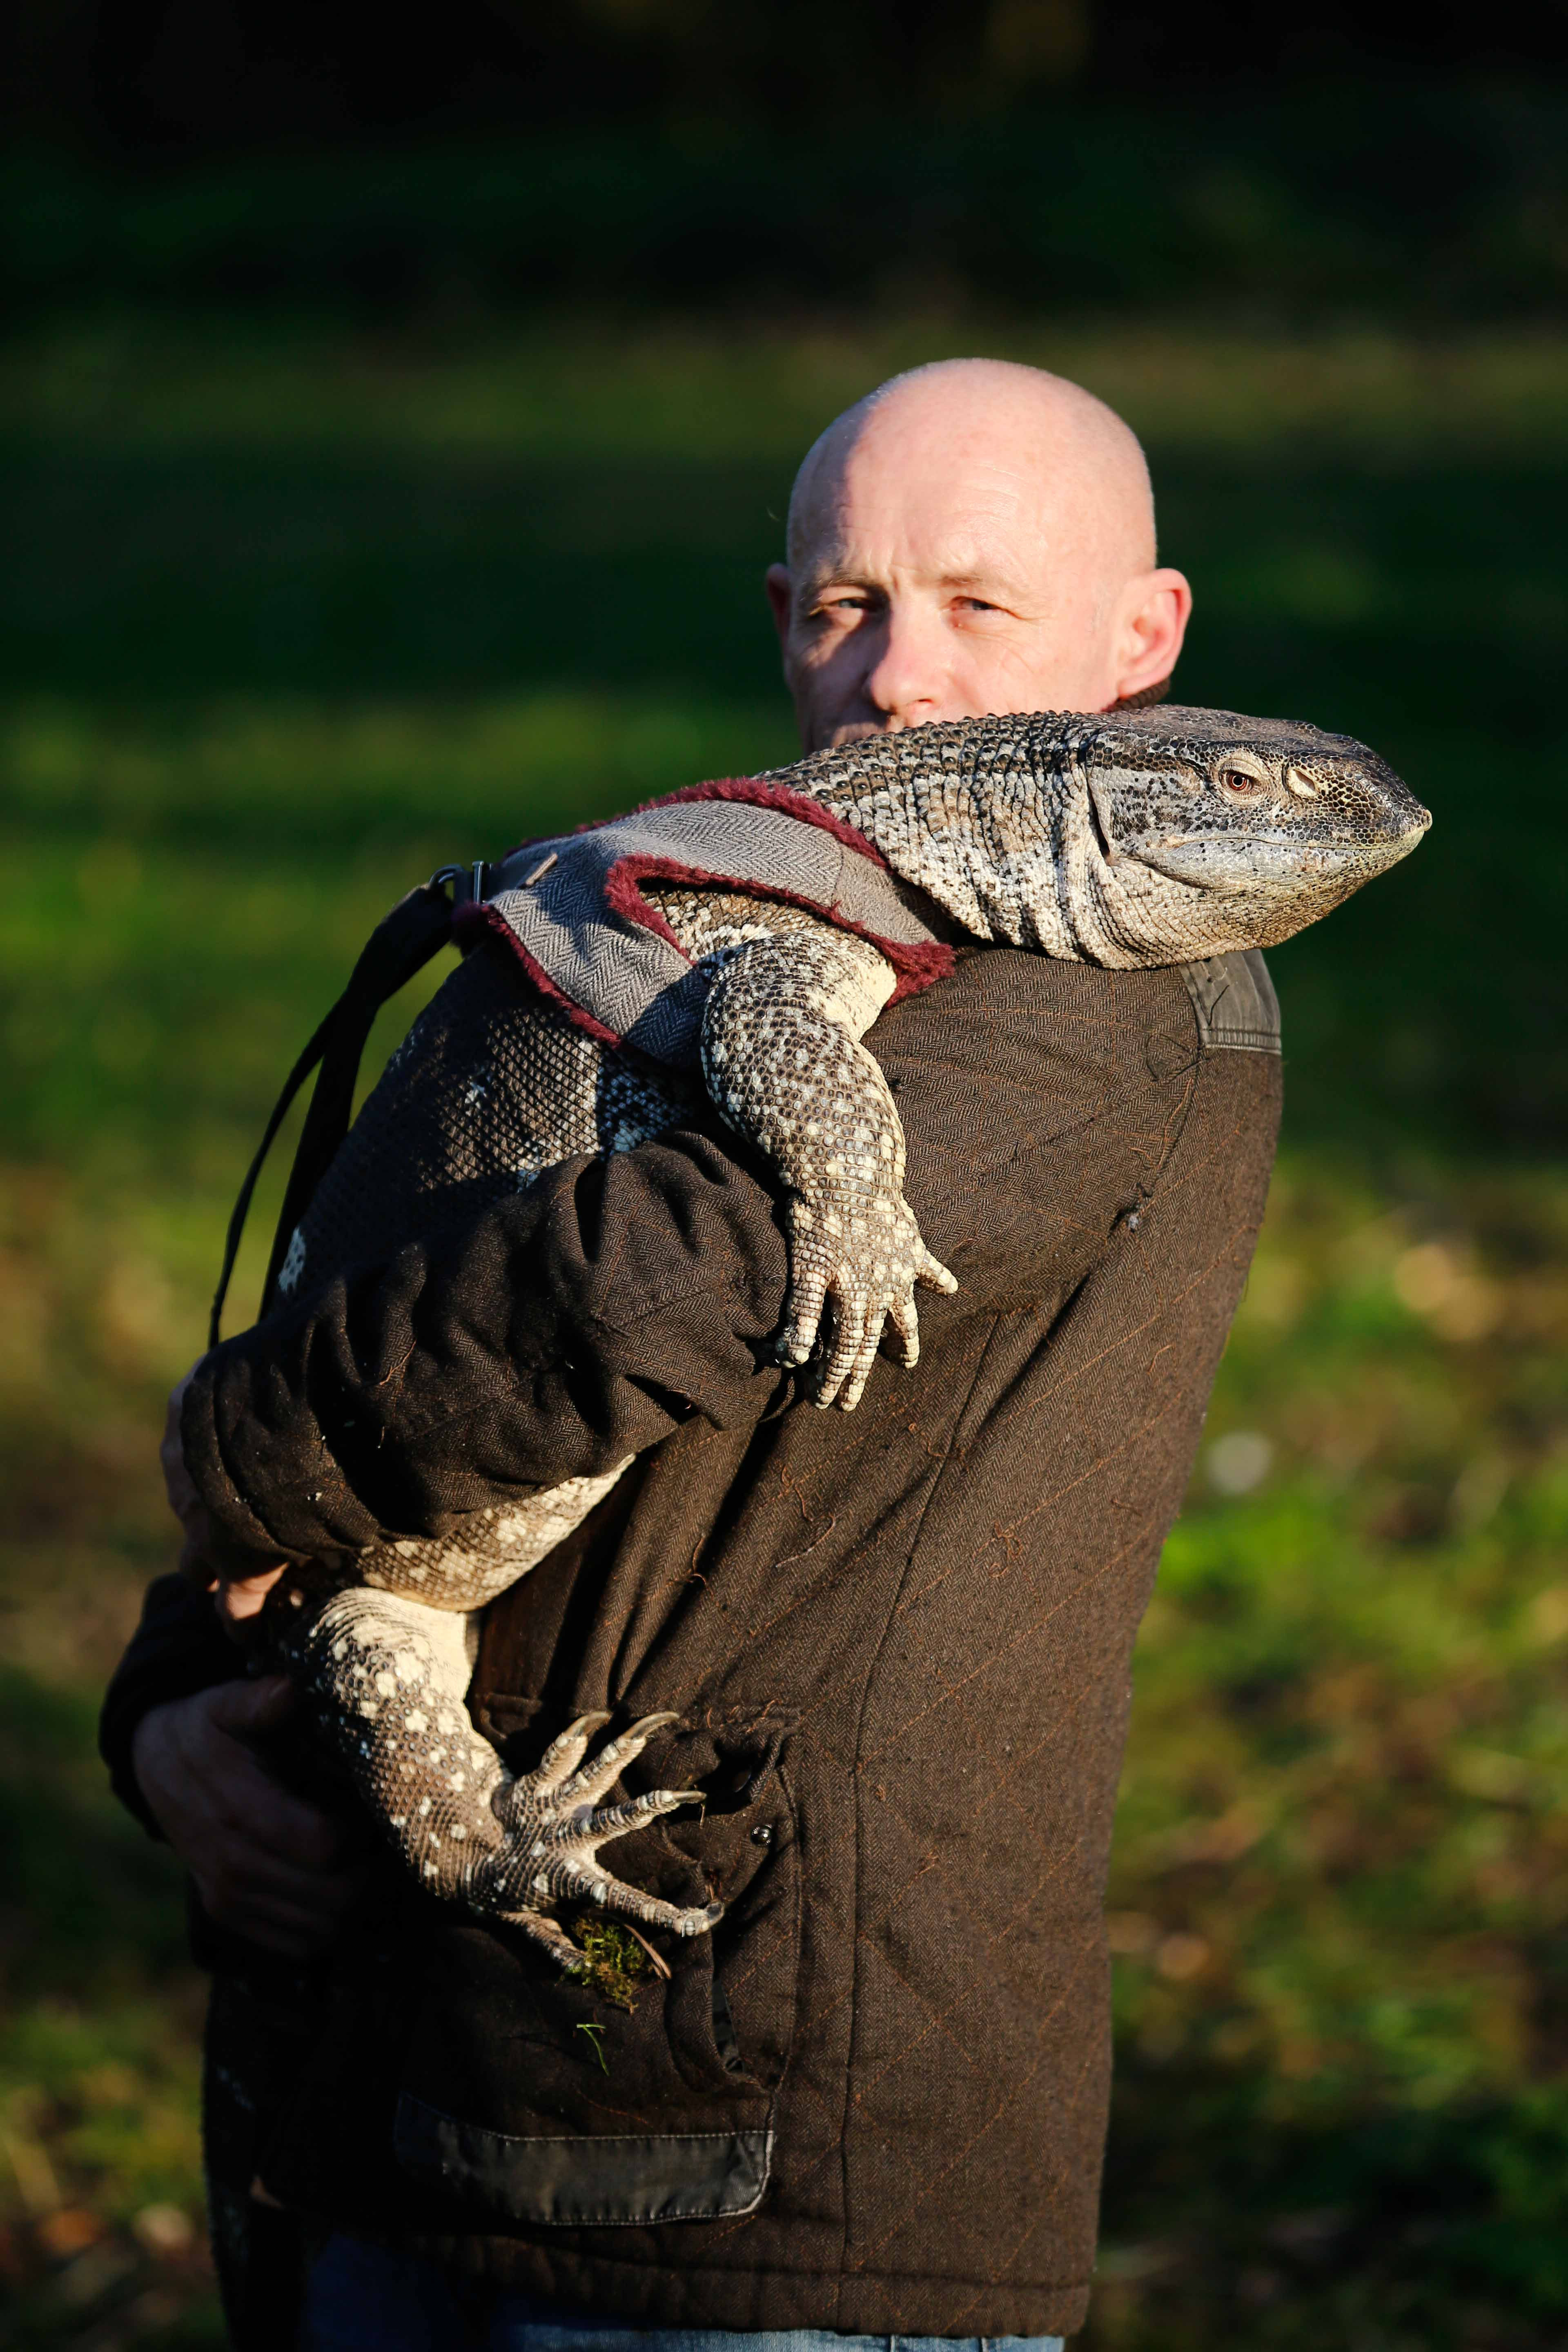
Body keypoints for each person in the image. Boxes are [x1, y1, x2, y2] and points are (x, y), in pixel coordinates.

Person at [102, 359, 1278, 2348]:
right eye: (846, 607)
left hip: (766, 2164)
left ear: (1142, 637)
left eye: (981, 607)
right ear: (780, 624)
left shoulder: (1102, 990)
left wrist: (231, 1452)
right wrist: (176, 1709)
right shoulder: (723, 905)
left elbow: (646, 1290)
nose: (903, 681)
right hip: (426, 2072)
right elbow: (386, 1277)